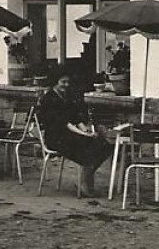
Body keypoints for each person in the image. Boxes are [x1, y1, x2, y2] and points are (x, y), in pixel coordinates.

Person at [34, 65, 114, 197]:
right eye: (63, 82)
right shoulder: (49, 99)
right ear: (55, 81)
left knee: (104, 145)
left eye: (68, 82)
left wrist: (87, 131)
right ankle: (84, 183)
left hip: (70, 133)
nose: (66, 85)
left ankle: (85, 178)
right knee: (88, 145)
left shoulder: (67, 97)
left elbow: (76, 118)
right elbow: (64, 123)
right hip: (56, 137)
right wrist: (84, 134)